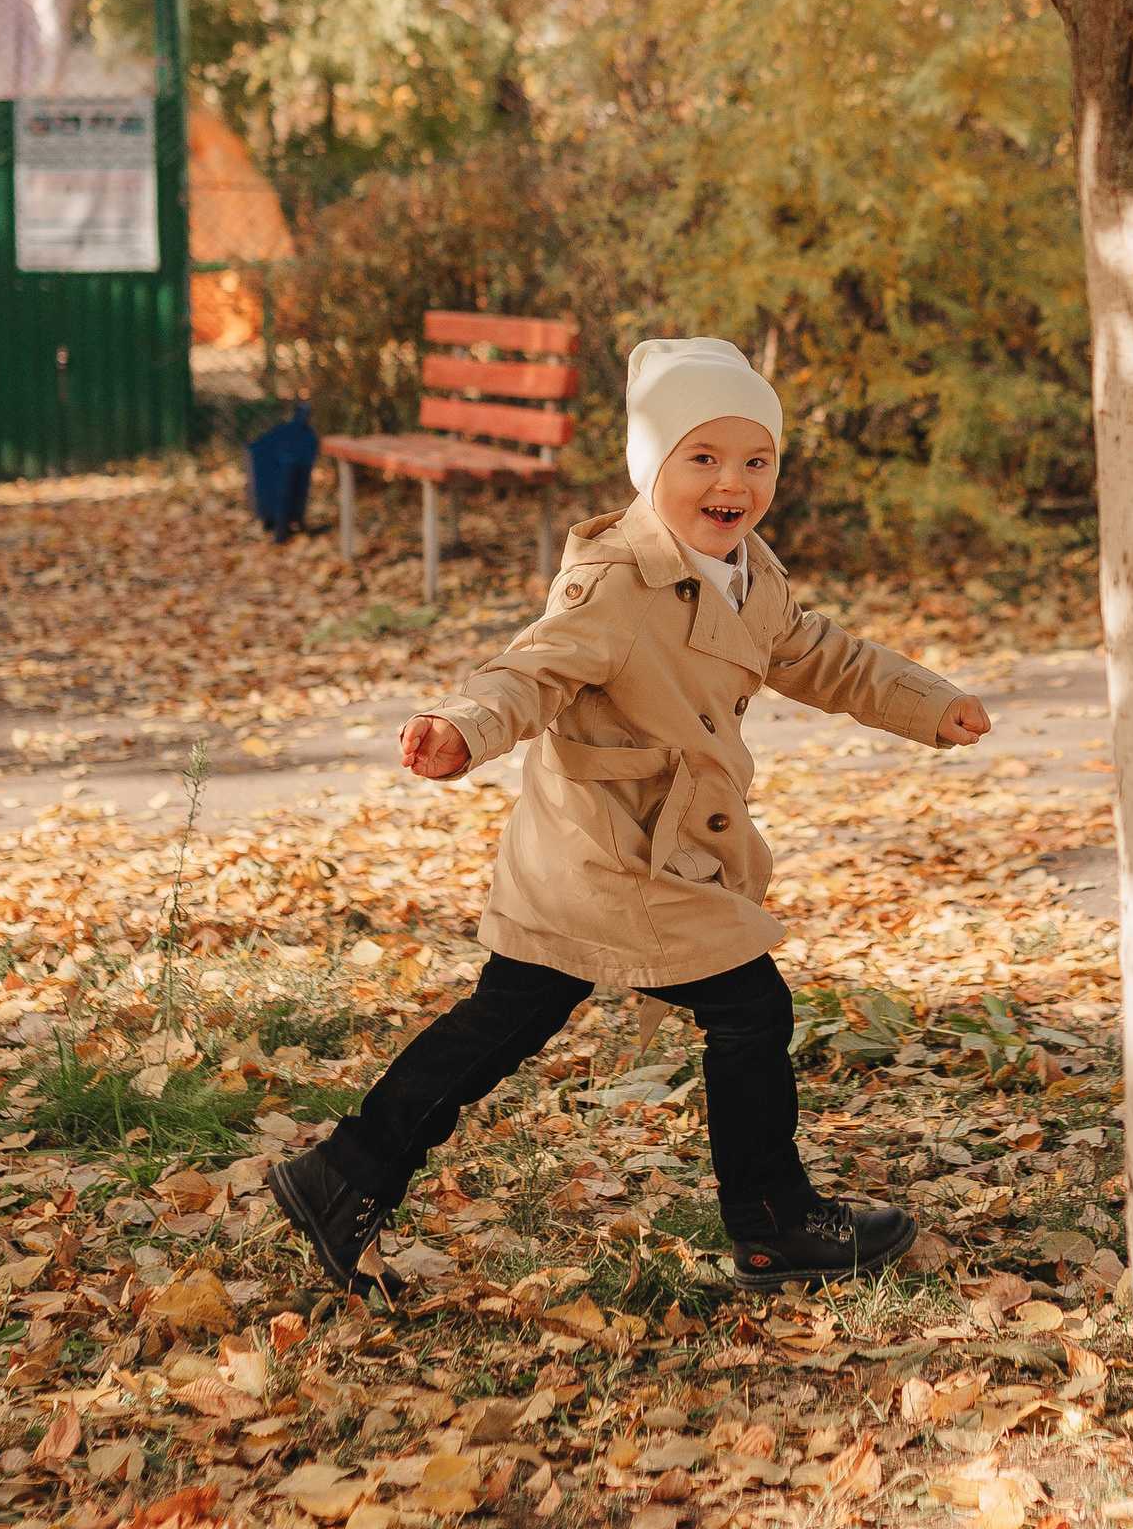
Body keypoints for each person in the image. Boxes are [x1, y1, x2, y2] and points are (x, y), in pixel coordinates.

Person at [265, 334, 992, 1294]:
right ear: (652, 468)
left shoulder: (748, 569)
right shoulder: (615, 580)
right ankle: (772, 1221)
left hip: (633, 852)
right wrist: (464, 726)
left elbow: (820, 653)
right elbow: (532, 668)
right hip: (615, 852)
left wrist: (925, 701)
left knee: (504, 1022)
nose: (732, 481)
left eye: (757, 460)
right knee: (749, 1008)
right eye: (703, 457)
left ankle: (344, 1172)